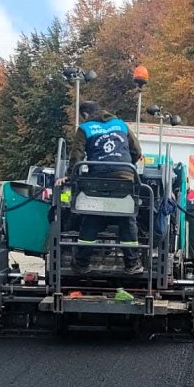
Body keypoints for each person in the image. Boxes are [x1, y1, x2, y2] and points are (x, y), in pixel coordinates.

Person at [70, 101, 145, 275]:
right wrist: (124, 166)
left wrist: (70, 176)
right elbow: (137, 151)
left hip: (97, 180)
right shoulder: (120, 124)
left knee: (91, 217)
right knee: (127, 218)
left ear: (85, 114)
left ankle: (81, 263)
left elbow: (76, 155)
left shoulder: (85, 128)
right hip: (124, 178)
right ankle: (132, 264)